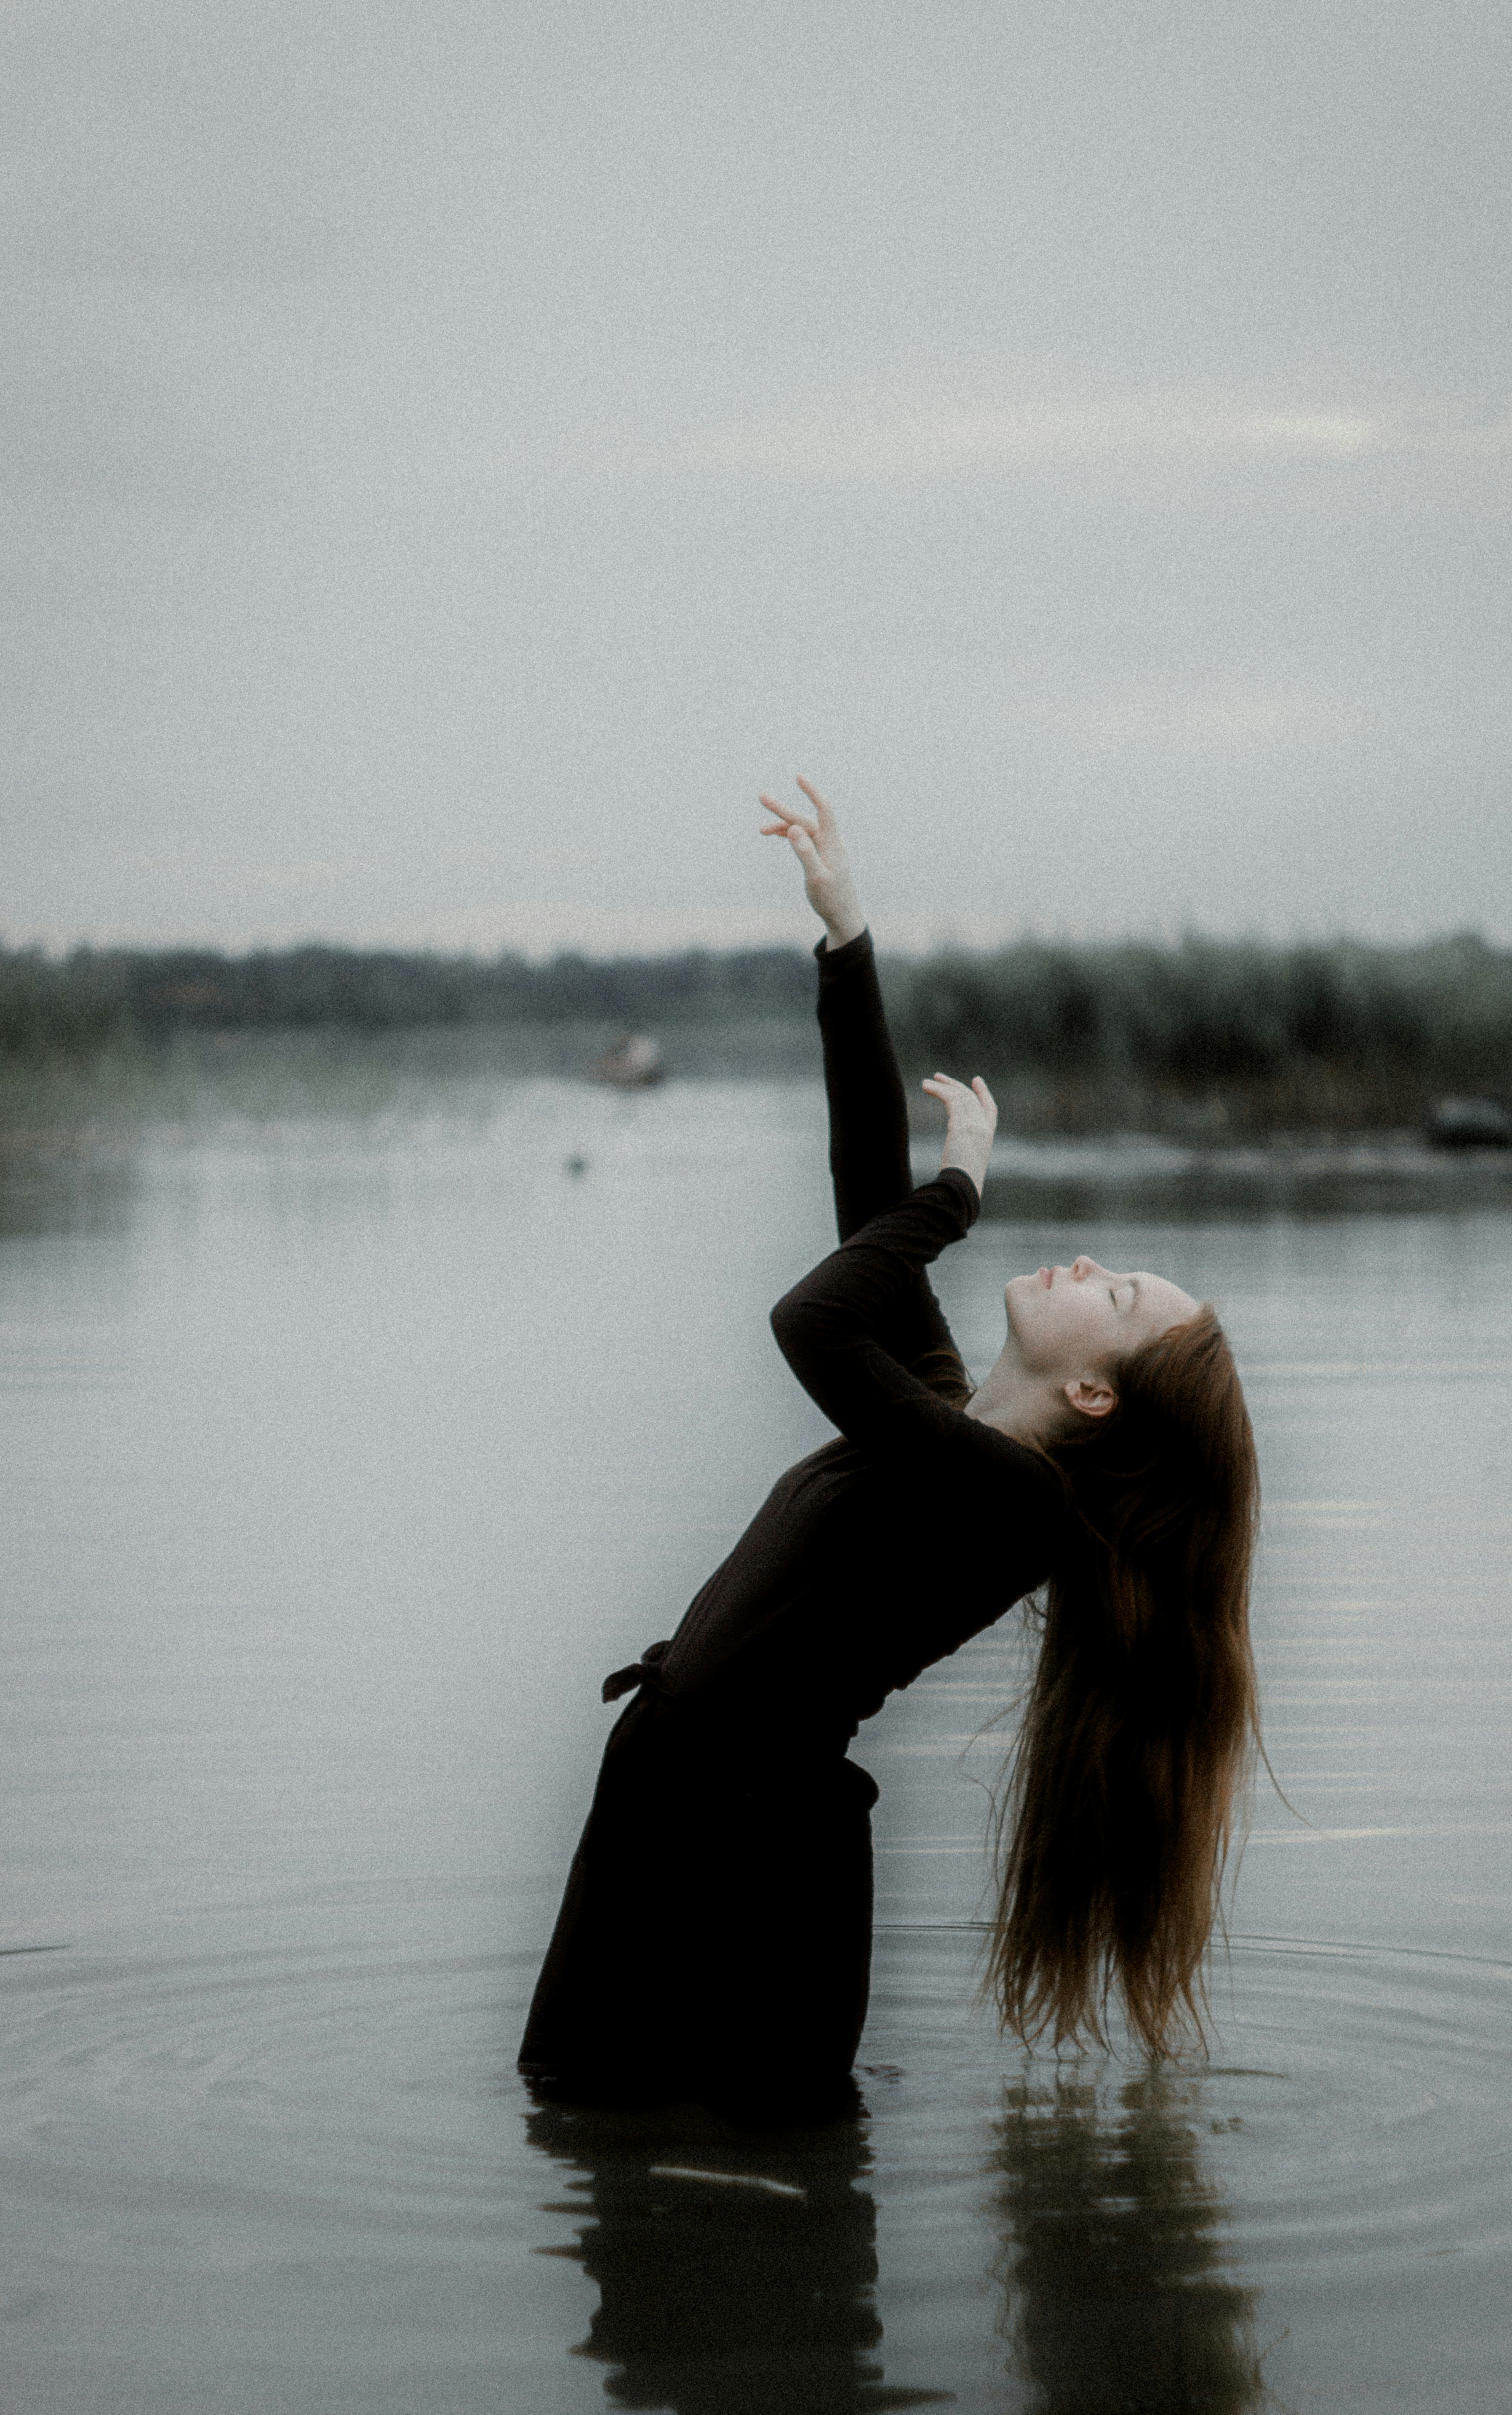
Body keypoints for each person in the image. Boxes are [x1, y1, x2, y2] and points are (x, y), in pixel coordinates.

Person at [518, 781, 1260, 2112]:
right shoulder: (947, 1422)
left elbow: (812, 1314)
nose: (1091, 1261)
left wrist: (961, 1191)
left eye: (1124, 1295)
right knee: (600, 2141)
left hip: (747, 1854)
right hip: (686, 1811)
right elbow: (868, 1201)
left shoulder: (1018, 1500)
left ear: (1096, 1396)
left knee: (731, 2236)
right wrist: (848, 937)